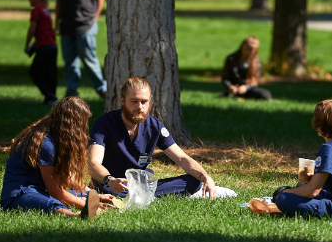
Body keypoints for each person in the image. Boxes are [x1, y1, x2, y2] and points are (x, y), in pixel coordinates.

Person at [88, 77, 236, 200]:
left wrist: (206, 178)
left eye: (144, 102)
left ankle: (146, 196)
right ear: (122, 100)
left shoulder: (154, 126)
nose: (139, 107)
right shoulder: (105, 124)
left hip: (142, 185)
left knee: (193, 181)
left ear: (150, 101)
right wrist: (109, 179)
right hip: (112, 184)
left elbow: (182, 159)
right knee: (121, 192)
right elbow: (93, 163)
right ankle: (153, 196)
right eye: (134, 101)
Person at [0, 97, 114, 219]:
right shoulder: (46, 144)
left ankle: (85, 205)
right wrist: (86, 204)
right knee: (51, 203)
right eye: (82, 124)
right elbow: (55, 191)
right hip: (20, 195)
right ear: (71, 124)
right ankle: (75, 216)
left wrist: (92, 194)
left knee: (72, 195)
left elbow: (65, 176)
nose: (83, 128)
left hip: (40, 189)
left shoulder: (56, 134)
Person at [51, 0, 107, 98]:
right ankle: (71, 91)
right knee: (69, 61)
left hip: (86, 23)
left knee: (89, 58)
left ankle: (102, 88)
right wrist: (57, 23)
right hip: (67, 23)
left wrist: (95, 17)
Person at [24, 0, 58, 105]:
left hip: (44, 46)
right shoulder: (45, 10)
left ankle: (50, 96)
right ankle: (51, 98)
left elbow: (32, 29)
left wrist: (27, 45)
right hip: (52, 45)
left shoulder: (36, 10)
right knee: (50, 73)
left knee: (35, 72)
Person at [221, 35, 272, 100]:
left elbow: (256, 81)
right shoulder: (231, 59)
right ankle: (232, 95)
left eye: (253, 50)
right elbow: (225, 77)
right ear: (242, 46)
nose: (250, 52)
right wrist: (230, 87)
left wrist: (246, 87)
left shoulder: (256, 62)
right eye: (248, 49)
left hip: (248, 89)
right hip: (234, 89)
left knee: (265, 94)